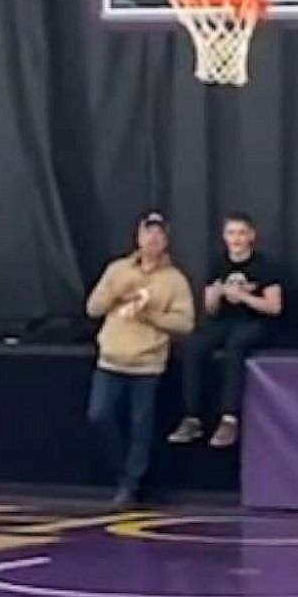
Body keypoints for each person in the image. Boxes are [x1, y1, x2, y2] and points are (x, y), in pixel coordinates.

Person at [85, 212, 195, 507]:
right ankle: (123, 472)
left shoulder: (174, 280)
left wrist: (151, 315)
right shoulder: (118, 269)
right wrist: (113, 295)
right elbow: (93, 308)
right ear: (138, 236)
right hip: (110, 359)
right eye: (148, 233)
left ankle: (131, 485)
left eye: (158, 235)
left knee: (141, 426)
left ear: (166, 240)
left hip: (147, 364)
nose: (152, 239)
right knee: (100, 416)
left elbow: (185, 324)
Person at [169, 213, 283, 448]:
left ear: (251, 236)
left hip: (257, 322)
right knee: (193, 346)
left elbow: (274, 307)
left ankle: (229, 418)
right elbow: (210, 309)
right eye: (231, 233)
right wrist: (216, 295)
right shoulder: (218, 263)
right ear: (224, 237)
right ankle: (192, 417)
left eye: (241, 233)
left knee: (236, 345)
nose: (236, 239)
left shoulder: (265, 265)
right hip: (224, 322)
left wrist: (244, 296)